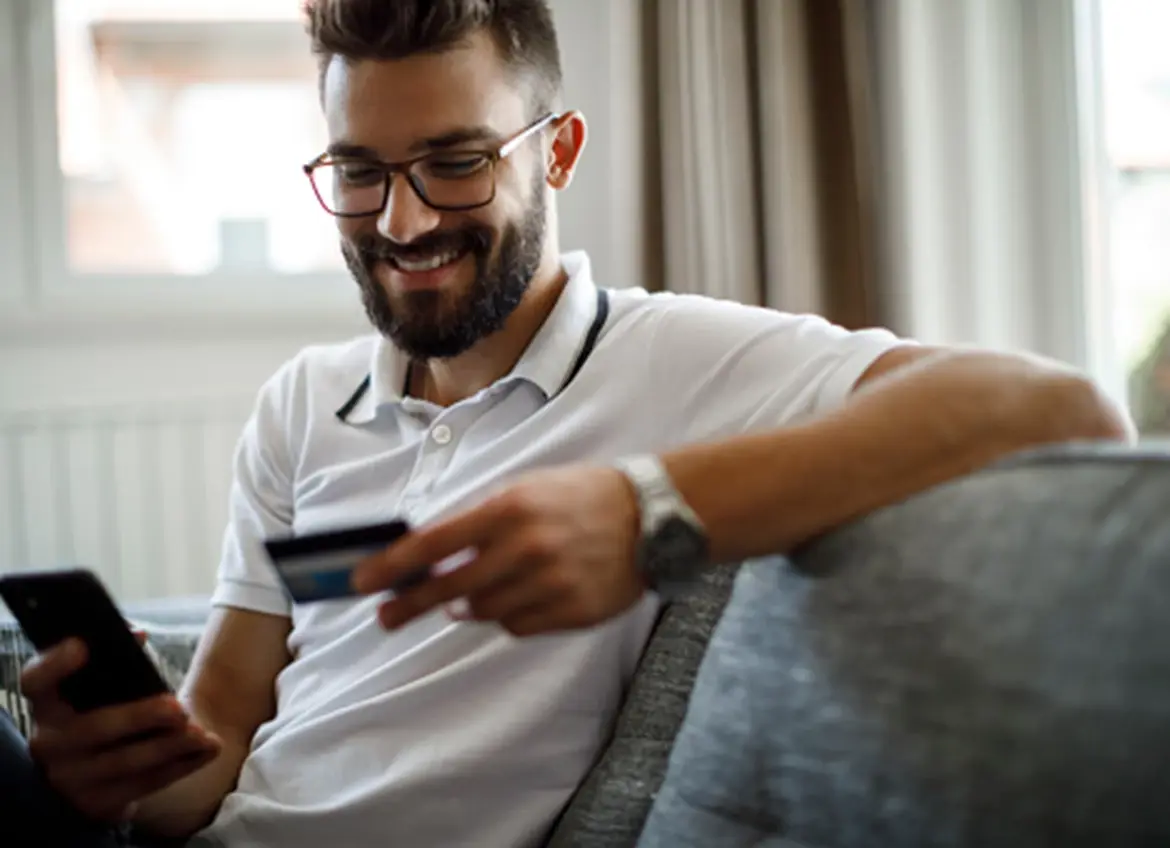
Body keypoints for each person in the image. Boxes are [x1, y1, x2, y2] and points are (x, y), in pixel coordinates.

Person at [1, 1, 1132, 846]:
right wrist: (109, 771)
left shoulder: (674, 358)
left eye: (455, 163)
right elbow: (216, 752)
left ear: (557, 150)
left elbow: (1059, 405)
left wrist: (647, 509)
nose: (401, 221)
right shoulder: (303, 402)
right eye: (358, 171)